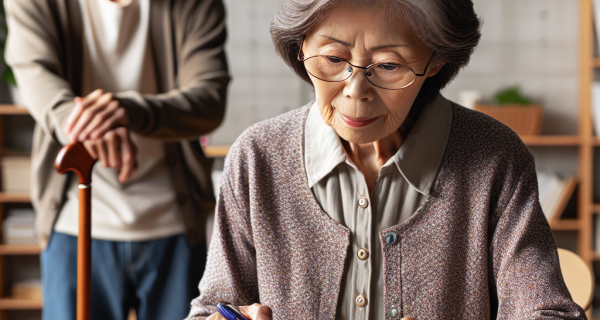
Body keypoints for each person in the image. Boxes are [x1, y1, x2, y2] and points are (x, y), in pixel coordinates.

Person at [186, 0, 586, 319]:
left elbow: (549, 312)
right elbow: (211, 308)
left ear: (436, 62)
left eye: (389, 65)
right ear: (301, 46)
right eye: (333, 59)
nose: (355, 91)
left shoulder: (495, 158)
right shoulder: (257, 158)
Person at [5, 0, 229, 319]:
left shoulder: (195, 4)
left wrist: (130, 112)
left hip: (174, 223)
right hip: (73, 222)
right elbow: (34, 74)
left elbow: (209, 97)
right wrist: (91, 126)